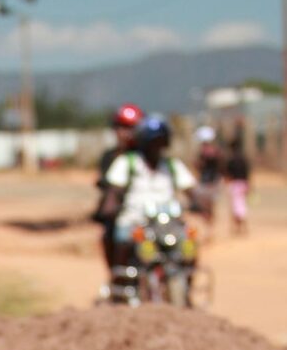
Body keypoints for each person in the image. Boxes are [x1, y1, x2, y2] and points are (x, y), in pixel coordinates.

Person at [94, 115, 206, 297]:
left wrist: (201, 203)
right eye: (153, 142)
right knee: (122, 240)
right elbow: (113, 191)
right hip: (135, 222)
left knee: (190, 244)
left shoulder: (172, 166)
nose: (156, 146)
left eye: (160, 142)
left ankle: (186, 290)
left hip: (168, 223)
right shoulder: (127, 163)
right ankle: (120, 284)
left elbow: (191, 189)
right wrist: (108, 209)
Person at [94, 104, 143, 269]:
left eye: (131, 128)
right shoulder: (110, 157)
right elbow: (106, 186)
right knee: (110, 236)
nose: (126, 133)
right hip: (123, 215)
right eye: (122, 127)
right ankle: (118, 277)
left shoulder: (148, 156)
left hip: (148, 214)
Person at [224, 144, 251, 236]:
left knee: (236, 207)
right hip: (243, 184)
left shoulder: (231, 160)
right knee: (242, 205)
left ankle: (237, 228)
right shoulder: (244, 159)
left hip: (235, 185)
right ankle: (242, 227)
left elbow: (227, 174)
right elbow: (247, 174)